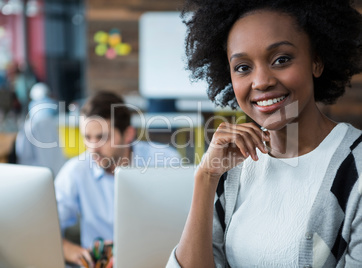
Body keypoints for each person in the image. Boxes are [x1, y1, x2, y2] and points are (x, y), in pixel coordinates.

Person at [167, 0, 362, 267]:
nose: (261, 82)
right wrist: (206, 177)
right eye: (243, 67)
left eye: (281, 60)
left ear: (316, 62)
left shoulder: (356, 167)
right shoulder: (233, 168)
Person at [55, 91, 181, 267]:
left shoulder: (166, 161)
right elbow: (44, 227)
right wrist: (70, 250)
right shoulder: (75, 171)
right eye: (87, 137)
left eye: (102, 137)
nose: (93, 148)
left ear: (128, 134)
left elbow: (183, 224)